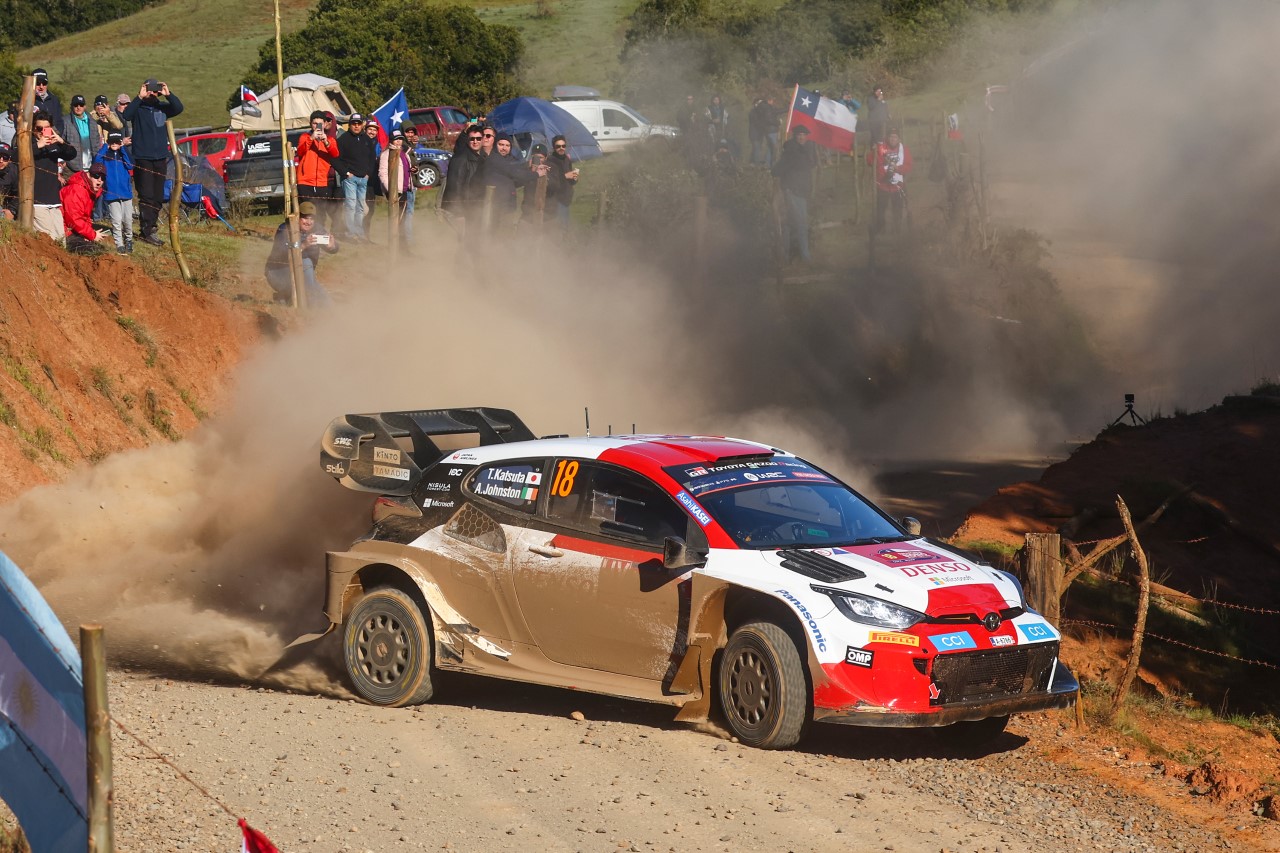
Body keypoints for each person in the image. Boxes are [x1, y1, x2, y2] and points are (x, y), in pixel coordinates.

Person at [122, 78, 183, 246]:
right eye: (150, 89)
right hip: (143, 158)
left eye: (155, 90)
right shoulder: (138, 108)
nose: (153, 93)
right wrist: (139, 97)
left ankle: (152, 227)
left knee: (157, 196)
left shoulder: (162, 107)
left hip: (160, 158)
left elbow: (178, 108)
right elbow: (126, 115)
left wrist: (168, 94)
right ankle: (146, 230)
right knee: (146, 195)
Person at [264, 201, 336, 308]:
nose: (309, 222)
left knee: (326, 302)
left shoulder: (317, 229)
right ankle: (305, 309)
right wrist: (303, 245)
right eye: (305, 218)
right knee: (306, 265)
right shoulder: (285, 229)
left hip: (304, 274)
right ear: (297, 217)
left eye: (312, 219)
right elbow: (281, 252)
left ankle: (284, 298)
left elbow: (334, 247)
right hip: (277, 273)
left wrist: (332, 246)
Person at [480, 132, 546, 231]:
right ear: (495, 145)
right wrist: (537, 174)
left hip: (506, 205)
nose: (504, 148)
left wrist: (527, 165)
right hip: (497, 206)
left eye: (507, 145)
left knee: (507, 232)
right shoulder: (494, 158)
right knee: (501, 234)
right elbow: (514, 172)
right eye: (501, 144)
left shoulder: (505, 159)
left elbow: (513, 168)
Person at [771, 124, 817, 264]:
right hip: (792, 190)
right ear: (795, 136)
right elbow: (777, 170)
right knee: (800, 223)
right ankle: (804, 256)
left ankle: (787, 255)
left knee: (790, 222)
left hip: (802, 190)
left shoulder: (807, 149)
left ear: (806, 136)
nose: (801, 137)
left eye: (803, 135)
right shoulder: (791, 151)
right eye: (799, 135)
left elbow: (812, 165)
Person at [30, 110, 77, 242]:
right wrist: (38, 145)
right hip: (36, 201)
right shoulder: (27, 142)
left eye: (46, 128)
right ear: (33, 128)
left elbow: (72, 154)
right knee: (48, 240)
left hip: (54, 200)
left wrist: (61, 141)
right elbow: (15, 157)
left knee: (60, 240)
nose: (42, 132)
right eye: (39, 128)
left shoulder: (53, 143)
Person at [295, 110, 341, 228]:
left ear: (325, 124)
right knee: (307, 212)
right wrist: (311, 138)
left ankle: (319, 235)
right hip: (305, 182)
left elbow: (335, 154)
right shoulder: (304, 137)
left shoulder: (330, 139)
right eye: (315, 123)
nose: (317, 126)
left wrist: (326, 142)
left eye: (320, 124)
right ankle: (305, 235)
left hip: (322, 182)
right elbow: (300, 151)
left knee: (320, 213)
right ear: (311, 124)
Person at [336, 113, 375, 241]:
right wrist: (346, 173)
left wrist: (368, 173)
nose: (356, 126)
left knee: (361, 207)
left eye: (358, 123)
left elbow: (372, 158)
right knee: (351, 206)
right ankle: (350, 233)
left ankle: (359, 232)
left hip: (363, 178)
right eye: (354, 123)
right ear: (350, 125)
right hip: (350, 179)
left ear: (362, 125)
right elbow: (335, 158)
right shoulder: (343, 139)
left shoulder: (367, 139)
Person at [94, 131, 134, 254]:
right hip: (111, 193)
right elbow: (96, 161)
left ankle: (129, 239)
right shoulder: (105, 155)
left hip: (125, 192)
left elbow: (130, 166)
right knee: (116, 220)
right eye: (112, 142)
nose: (114, 144)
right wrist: (105, 147)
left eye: (117, 142)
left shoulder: (123, 154)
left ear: (120, 143)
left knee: (127, 220)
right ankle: (119, 243)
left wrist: (123, 149)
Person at [439, 126, 484, 235]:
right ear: (467, 140)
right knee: (463, 239)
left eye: (478, 139)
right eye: (472, 139)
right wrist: (458, 213)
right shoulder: (460, 159)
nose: (475, 142)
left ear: (483, 140)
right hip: (463, 209)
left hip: (476, 207)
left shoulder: (482, 157)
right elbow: (454, 187)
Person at [867, 129, 912, 236]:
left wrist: (898, 168)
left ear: (899, 139)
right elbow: (870, 161)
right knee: (880, 211)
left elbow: (908, 166)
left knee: (898, 210)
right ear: (887, 138)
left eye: (895, 137)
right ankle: (881, 231)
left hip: (898, 187)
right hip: (883, 186)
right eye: (891, 137)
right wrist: (873, 152)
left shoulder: (904, 150)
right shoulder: (881, 148)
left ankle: (897, 232)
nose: (893, 139)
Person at [60, 163, 110, 255]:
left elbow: (85, 217)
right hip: (65, 231)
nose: (99, 180)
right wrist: (92, 234)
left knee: (100, 250)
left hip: (74, 230)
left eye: (103, 178)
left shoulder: (89, 190)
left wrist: (88, 234)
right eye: (96, 176)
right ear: (89, 174)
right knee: (93, 252)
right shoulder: (76, 190)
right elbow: (73, 219)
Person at [377, 129, 413, 243]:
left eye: (400, 139)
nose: (398, 142)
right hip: (395, 191)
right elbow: (382, 173)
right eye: (396, 139)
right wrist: (392, 191)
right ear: (391, 141)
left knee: (402, 219)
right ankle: (398, 245)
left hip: (405, 189)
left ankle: (402, 244)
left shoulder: (404, 153)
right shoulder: (386, 154)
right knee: (396, 220)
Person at [545, 134, 579, 232]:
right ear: (554, 147)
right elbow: (549, 180)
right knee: (559, 227)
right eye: (558, 146)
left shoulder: (567, 159)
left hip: (566, 199)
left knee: (565, 226)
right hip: (556, 199)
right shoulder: (550, 161)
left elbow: (570, 179)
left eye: (563, 146)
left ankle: (565, 239)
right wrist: (565, 176)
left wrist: (574, 178)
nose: (561, 148)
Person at [62, 95, 95, 172]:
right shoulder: (65, 121)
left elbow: (96, 144)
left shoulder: (92, 122)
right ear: (71, 106)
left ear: (85, 107)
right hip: (71, 166)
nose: (78, 107)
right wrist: (62, 160)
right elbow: (61, 141)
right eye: (76, 105)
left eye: (81, 105)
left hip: (90, 165)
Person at [361, 119, 382, 237]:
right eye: (370, 129)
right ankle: (359, 234)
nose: (372, 132)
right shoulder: (361, 142)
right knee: (361, 209)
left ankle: (366, 234)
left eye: (374, 130)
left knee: (370, 209)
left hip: (372, 182)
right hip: (361, 179)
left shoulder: (378, 144)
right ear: (365, 130)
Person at [0, 142, 16, 220]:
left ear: (9, 160)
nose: (1, 160)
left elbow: (19, 194)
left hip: (6, 208)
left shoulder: (14, 172)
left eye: (5, 157)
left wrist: (12, 210)